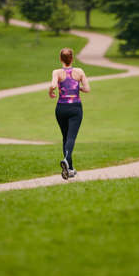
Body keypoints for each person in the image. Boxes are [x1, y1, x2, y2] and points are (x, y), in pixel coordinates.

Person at [49, 47, 90, 180]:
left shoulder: (57, 72)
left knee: (65, 137)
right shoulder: (79, 72)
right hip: (75, 108)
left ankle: (70, 169)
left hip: (61, 108)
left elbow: (54, 85)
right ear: (72, 58)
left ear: (60, 59)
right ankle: (67, 160)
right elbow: (87, 89)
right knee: (71, 138)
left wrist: (51, 91)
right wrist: (77, 88)